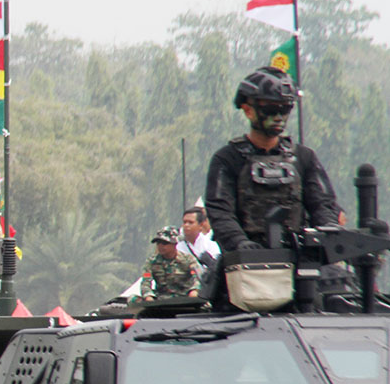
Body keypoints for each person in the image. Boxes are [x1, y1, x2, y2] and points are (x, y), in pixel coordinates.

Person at [205, 66, 339, 252]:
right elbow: (220, 212)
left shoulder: (304, 158)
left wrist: (327, 232)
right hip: (245, 264)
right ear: (248, 111)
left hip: (300, 261)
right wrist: (239, 242)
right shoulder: (227, 159)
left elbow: (323, 205)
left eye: (285, 109)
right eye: (270, 109)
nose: (279, 117)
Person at [131, 226, 200, 304]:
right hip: (161, 298)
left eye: (164, 243)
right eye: (158, 243)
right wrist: (148, 297)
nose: (160, 246)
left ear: (174, 244)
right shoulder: (152, 261)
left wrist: (194, 290)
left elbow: (197, 277)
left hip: (184, 297)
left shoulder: (188, 259)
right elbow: (146, 282)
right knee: (132, 299)